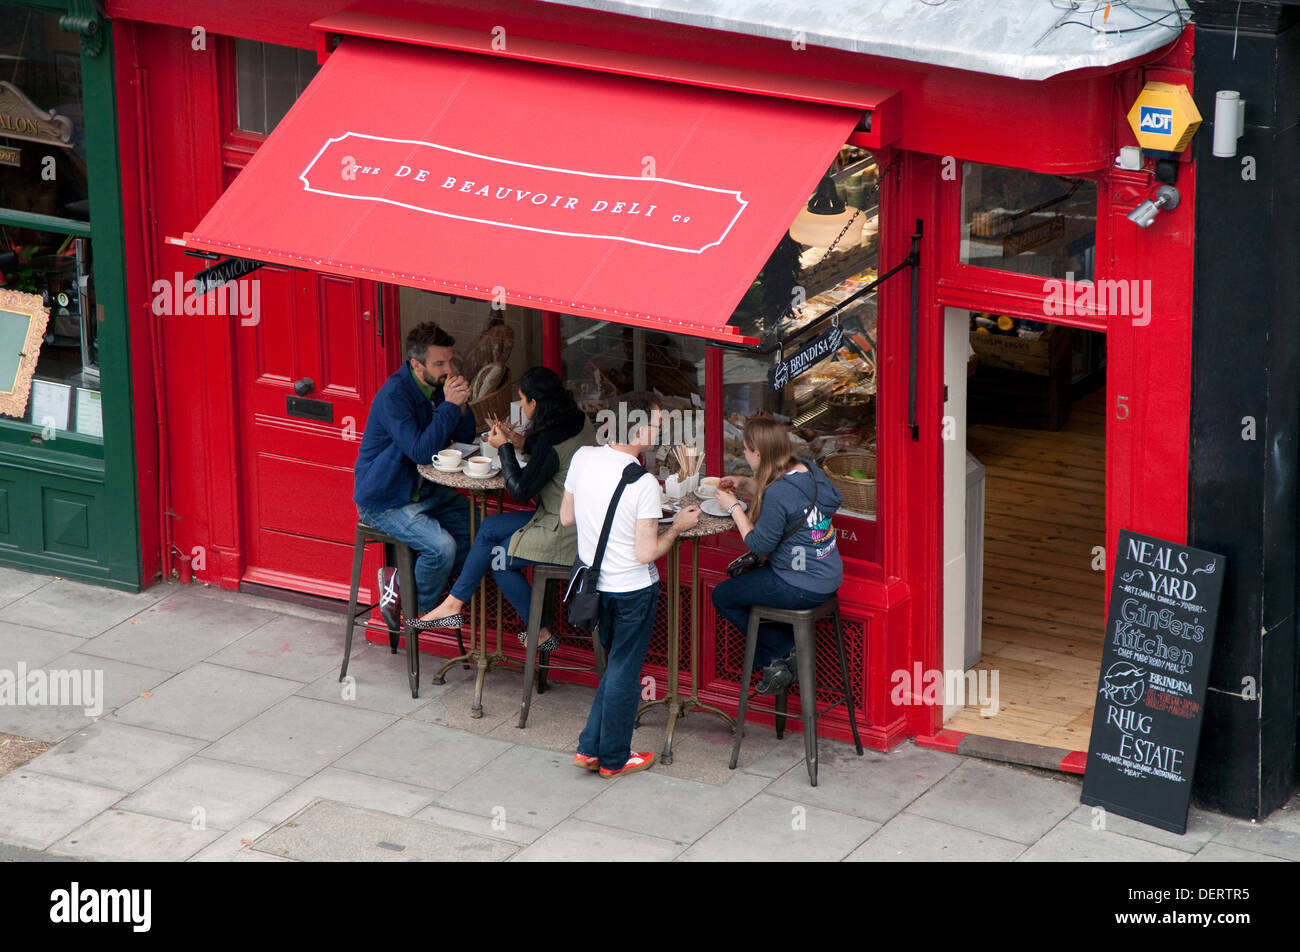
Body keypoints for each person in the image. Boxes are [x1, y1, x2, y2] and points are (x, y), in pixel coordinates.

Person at [561, 391, 700, 778]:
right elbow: (645, 553)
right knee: (624, 669)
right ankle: (614, 758)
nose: (659, 432)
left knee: (614, 666)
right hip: (633, 589)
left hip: (595, 585)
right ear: (637, 430)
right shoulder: (643, 485)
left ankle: (590, 747)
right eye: (656, 425)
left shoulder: (583, 457)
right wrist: (676, 528)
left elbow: (567, 517)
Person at [409, 367, 597, 645]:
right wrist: (522, 442)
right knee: (489, 527)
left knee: (499, 558)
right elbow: (552, 454)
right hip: (579, 521)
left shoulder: (550, 443)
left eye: (522, 400)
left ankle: (541, 631)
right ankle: (453, 605)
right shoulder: (578, 420)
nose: (521, 406)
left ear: (535, 403)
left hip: (564, 531)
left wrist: (504, 448)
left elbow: (520, 491)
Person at [354, 322, 478, 628]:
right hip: (385, 500)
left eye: (450, 361)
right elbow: (421, 451)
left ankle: (403, 585)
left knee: (480, 530)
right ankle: (418, 610)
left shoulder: (437, 387)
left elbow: (464, 436)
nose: (448, 370)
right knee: (442, 548)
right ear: (416, 364)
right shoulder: (394, 396)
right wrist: (449, 405)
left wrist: (461, 407)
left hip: (426, 491)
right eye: (439, 364)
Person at [712, 416, 843, 694]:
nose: (744, 456)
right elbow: (790, 497)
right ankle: (779, 661)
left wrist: (734, 506)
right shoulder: (809, 470)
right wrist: (746, 483)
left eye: (745, 452)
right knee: (745, 586)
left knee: (722, 596)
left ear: (758, 453)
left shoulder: (778, 494)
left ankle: (781, 652)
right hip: (828, 574)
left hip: (800, 584)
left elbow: (759, 545)